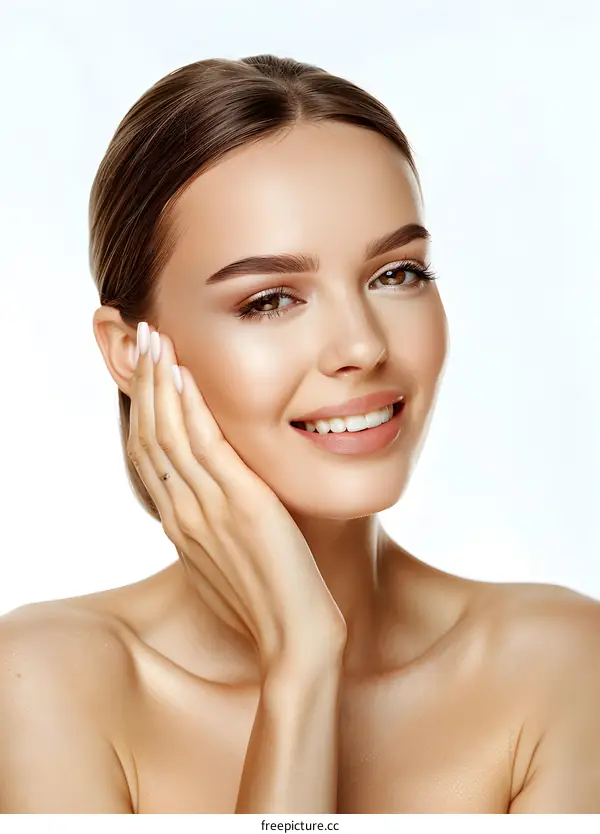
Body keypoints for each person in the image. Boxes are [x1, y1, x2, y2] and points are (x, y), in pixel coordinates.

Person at [1, 54, 599, 815]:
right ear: (131, 352)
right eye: (271, 300)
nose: (361, 345)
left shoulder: (566, 665)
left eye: (397, 274)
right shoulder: (43, 681)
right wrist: (302, 663)